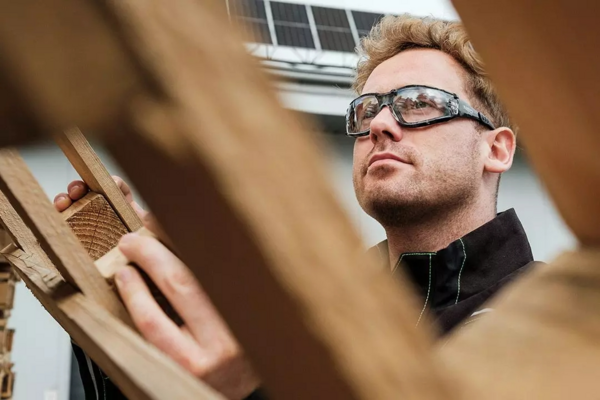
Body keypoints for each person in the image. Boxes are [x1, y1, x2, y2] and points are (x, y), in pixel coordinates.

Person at [55, 15, 537, 400]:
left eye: (420, 102)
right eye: (367, 109)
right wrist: (127, 297)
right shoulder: (316, 316)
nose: (380, 124)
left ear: (495, 149)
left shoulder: (552, 321)